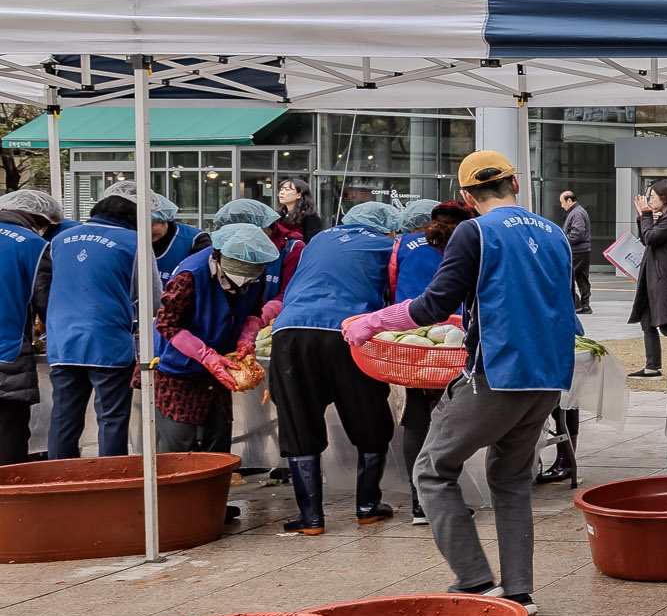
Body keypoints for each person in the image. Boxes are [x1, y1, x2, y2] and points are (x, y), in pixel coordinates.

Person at [346, 151, 581, 616]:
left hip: (498, 373)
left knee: (432, 470)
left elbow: (432, 307)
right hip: (548, 376)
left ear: (468, 197)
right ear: (516, 183)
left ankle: (474, 579)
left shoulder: (475, 231)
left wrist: (372, 322)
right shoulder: (555, 232)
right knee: (511, 479)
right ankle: (518, 593)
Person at [266, 200, 400, 534]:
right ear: (386, 227)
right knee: (368, 415)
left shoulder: (319, 240)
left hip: (290, 333)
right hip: (347, 332)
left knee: (298, 421)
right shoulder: (388, 245)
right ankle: (367, 506)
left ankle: (311, 518)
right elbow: (396, 293)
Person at [155, 223, 280, 519]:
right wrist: (205, 355)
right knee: (179, 443)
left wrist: (248, 335)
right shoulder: (190, 275)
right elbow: (167, 323)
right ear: (220, 260)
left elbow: (254, 310)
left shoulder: (254, 277)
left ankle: (211, 508)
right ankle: (177, 513)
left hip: (221, 367)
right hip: (179, 369)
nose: (240, 288)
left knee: (218, 439)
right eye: (233, 281)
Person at [33, 190, 144, 459]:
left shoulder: (58, 240)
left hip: (63, 341)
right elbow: (150, 296)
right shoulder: (134, 241)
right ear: (132, 218)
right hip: (109, 341)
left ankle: (61, 481)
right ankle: (110, 481)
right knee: (111, 418)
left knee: (63, 417)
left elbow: (44, 284)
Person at [393, 202, 469, 525]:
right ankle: (443, 500)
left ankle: (418, 503)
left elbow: (392, 283)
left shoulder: (401, 245)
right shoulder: (469, 244)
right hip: (449, 340)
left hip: (410, 339)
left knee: (415, 418)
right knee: (448, 420)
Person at [0, 190, 60, 465]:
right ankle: (11, 498)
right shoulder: (34, 245)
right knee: (8, 430)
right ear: (41, 221)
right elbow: (46, 304)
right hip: (6, 350)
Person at [628, 181, 667, 377]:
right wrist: (643, 216)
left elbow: (651, 237)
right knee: (647, 321)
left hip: (665, 277)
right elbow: (647, 239)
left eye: (653, 197)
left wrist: (645, 215)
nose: (650, 201)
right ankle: (652, 366)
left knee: (666, 326)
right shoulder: (665, 218)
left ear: (665, 198)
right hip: (652, 275)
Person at [559, 190, 594, 312]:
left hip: (577, 251)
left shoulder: (576, 213)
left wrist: (564, 241)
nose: (562, 205)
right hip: (582, 250)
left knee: (566, 276)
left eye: (562, 202)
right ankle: (584, 305)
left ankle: (577, 304)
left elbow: (577, 233)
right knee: (581, 277)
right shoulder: (577, 211)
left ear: (569, 200)